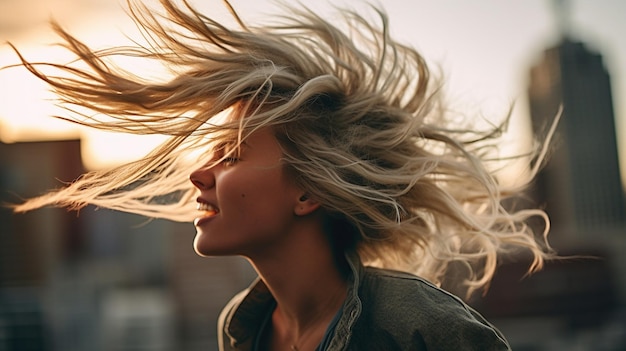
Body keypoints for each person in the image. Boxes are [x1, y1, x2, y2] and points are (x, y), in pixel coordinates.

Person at [9, 0, 556, 350]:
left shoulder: (423, 330)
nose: (199, 173)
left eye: (233, 153)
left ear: (309, 191)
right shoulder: (241, 329)